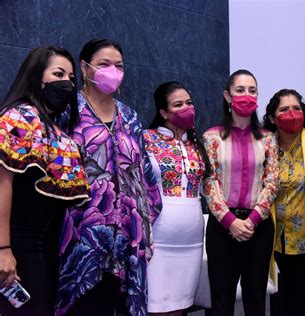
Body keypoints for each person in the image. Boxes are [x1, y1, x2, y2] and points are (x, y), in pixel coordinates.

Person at [55, 39, 161, 316]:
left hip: (128, 235)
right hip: (80, 234)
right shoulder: (67, 112)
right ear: (84, 68)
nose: (112, 71)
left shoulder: (130, 116)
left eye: (119, 66)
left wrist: (146, 223)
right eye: (104, 64)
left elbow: (144, 171)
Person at [0, 46, 89, 315]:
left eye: (71, 78)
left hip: (47, 247)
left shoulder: (55, 129)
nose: (67, 83)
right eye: (58, 73)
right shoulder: (20, 117)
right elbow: (2, 184)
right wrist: (3, 249)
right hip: (19, 246)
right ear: (37, 76)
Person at [202, 69, 279, 316]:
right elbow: (208, 182)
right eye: (240, 90)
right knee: (221, 300)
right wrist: (230, 221)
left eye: (252, 90)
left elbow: (272, 183)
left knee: (255, 299)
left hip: (258, 227)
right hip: (222, 227)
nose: (247, 95)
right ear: (227, 96)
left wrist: (252, 220)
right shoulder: (211, 137)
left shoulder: (268, 139)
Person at [262, 89, 305, 315]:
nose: (291, 114)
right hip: (277, 239)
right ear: (273, 117)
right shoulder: (266, 145)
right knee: (284, 303)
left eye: (296, 108)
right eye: (284, 109)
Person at [144, 81, 210, 315]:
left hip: (192, 238)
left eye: (189, 103)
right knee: (156, 303)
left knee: (180, 306)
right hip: (158, 237)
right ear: (163, 112)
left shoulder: (196, 145)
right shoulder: (146, 140)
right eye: (178, 104)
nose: (186, 108)